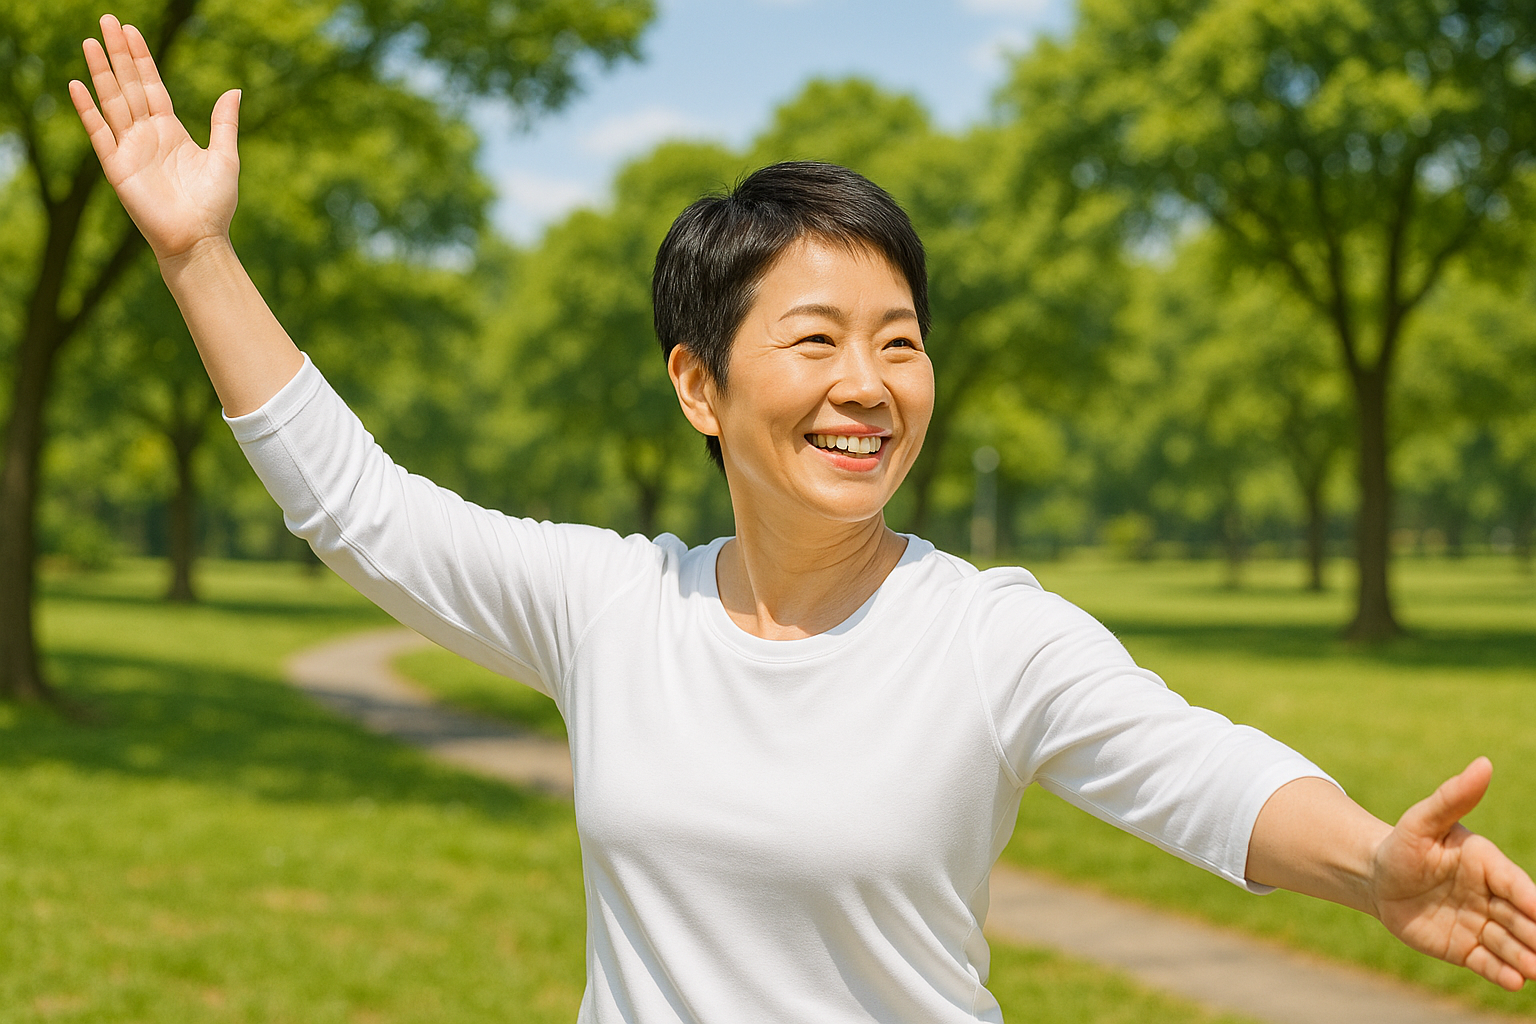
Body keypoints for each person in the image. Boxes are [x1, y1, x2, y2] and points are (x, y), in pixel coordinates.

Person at [71, 14, 1536, 1023]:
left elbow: (1200, 772)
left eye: (900, 340)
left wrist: (1371, 864)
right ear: (699, 386)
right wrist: (197, 254)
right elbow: (361, 512)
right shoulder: (613, 608)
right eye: (818, 340)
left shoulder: (985, 635)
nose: (871, 385)